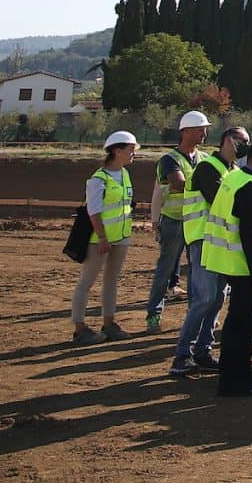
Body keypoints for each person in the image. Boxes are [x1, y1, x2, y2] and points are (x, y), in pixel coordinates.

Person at [202, 137, 252, 396]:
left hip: (227, 261)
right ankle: (238, 377)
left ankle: (232, 373)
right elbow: (250, 234)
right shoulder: (250, 187)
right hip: (242, 267)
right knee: (243, 325)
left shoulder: (233, 179)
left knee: (236, 322)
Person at [171, 123, 246, 376]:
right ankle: (182, 354)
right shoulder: (207, 168)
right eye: (239, 140)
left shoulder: (233, 171)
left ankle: (203, 350)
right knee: (204, 298)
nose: (242, 145)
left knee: (217, 298)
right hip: (203, 239)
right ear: (226, 140)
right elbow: (222, 201)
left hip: (221, 242)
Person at [144, 109, 207, 333]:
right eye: (200, 129)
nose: (204, 132)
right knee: (166, 269)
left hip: (197, 222)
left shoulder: (204, 158)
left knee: (196, 271)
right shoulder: (169, 161)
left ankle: (195, 315)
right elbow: (178, 184)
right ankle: (153, 315)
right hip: (174, 222)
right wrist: (206, 184)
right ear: (186, 131)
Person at [72, 131, 138, 343]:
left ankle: (109, 324)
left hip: (120, 236)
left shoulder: (125, 174)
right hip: (99, 239)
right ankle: (80, 328)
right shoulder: (98, 179)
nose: (133, 154)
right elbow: (94, 211)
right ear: (117, 151)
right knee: (86, 282)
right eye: (130, 150)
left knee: (111, 280)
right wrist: (102, 237)